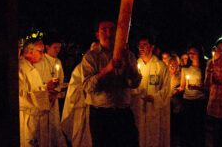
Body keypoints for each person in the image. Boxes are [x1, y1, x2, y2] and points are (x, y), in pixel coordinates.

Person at [81, 19, 141, 147]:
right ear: (97, 34)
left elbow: (134, 83)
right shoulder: (91, 57)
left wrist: (128, 64)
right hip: (101, 116)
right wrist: (107, 69)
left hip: (123, 113)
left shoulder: (129, 55)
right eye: (104, 30)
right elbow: (87, 87)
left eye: (112, 30)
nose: (109, 33)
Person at [131, 35, 171, 147]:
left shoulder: (161, 67)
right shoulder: (134, 66)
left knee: (153, 138)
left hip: (154, 112)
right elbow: (130, 89)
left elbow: (166, 89)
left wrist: (155, 97)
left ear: (152, 47)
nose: (141, 48)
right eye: (140, 45)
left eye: (144, 45)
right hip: (138, 110)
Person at [19, 39, 59, 147]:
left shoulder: (32, 68)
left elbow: (36, 89)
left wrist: (47, 88)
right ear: (30, 51)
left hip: (39, 119)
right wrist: (46, 95)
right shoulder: (20, 69)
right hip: (29, 119)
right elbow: (20, 97)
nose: (43, 55)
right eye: (40, 51)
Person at [61, 42, 100, 147]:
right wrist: (84, 92)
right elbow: (73, 89)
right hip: (81, 108)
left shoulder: (101, 67)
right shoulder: (80, 68)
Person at [34, 36, 67, 147]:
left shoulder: (58, 61)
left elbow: (61, 80)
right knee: (43, 128)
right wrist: (48, 90)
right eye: (55, 47)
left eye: (59, 48)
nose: (58, 50)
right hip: (44, 99)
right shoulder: (40, 61)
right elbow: (37, 82)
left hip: (54, 100)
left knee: (55, 125)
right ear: (47, 47)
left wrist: (56, 92)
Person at [176, 44, 206, 147]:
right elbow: (182, 86)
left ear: (199, 53)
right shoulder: (185, 69)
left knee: (199, 126)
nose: (191, 55)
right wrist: (176, 90)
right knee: (188, 126)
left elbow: (207, 87)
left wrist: (197, 88)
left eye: (193, 53)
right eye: (189, 53)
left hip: (199, 100)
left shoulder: (204, 68)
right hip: (187, 100)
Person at [168, 56, 183, 146]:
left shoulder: (180, 75)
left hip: (177, 105)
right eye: (170, 64)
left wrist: (177, 91)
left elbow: (182, 87)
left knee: (176, 127)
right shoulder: (165, 75)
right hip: (166, 105)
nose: (172, 66)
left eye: (174, 64)